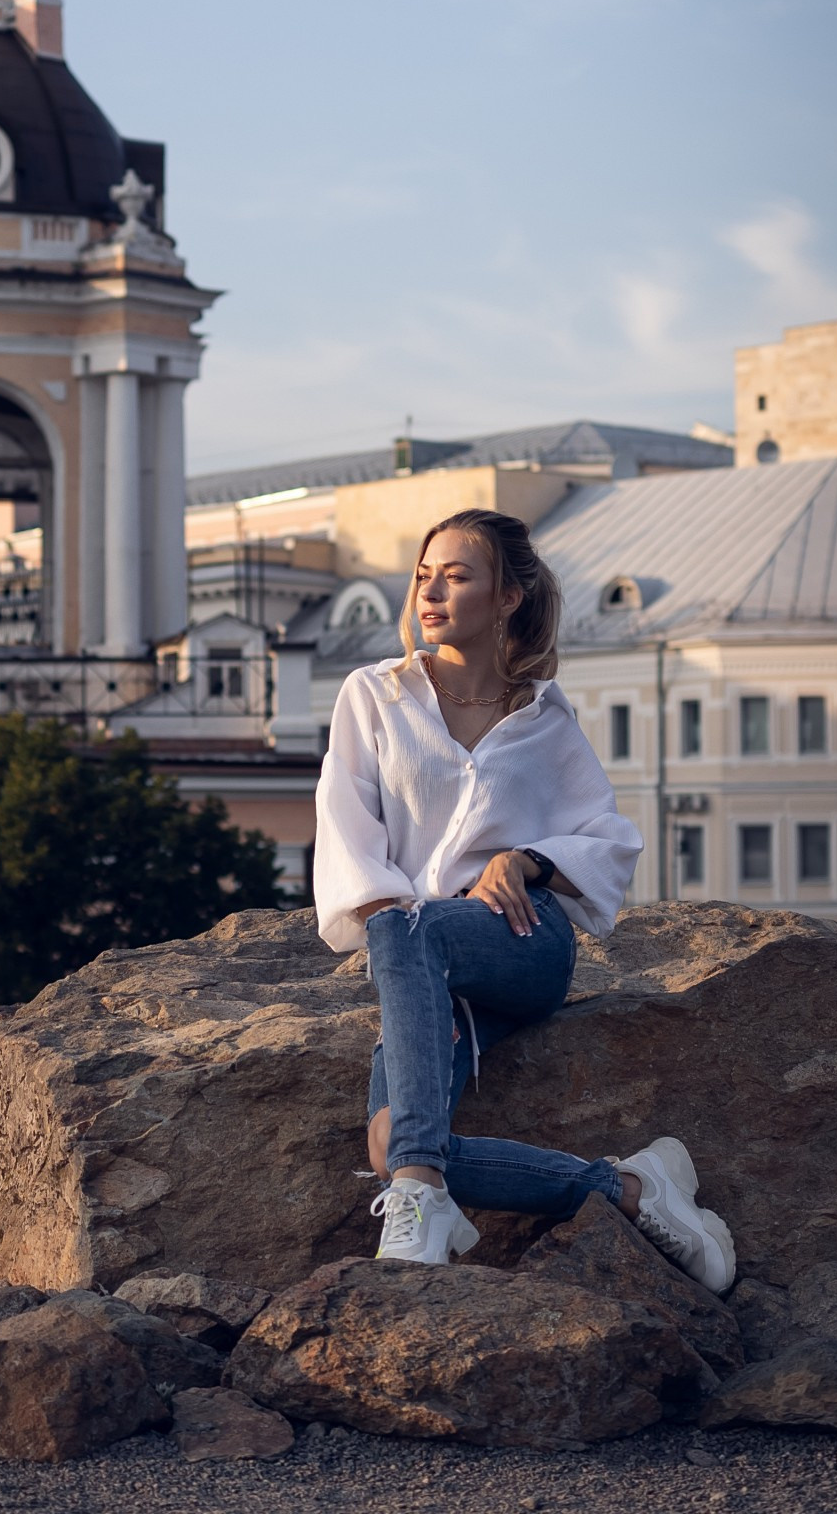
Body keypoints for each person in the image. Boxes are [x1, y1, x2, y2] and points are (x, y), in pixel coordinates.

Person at [313, 508, 735, 1295]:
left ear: (507, 597)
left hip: (520, 941)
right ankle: (629, 1189)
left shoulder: (542, 716)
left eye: (457, 575)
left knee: (411, 949)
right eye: (422, 574)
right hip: (416, 950)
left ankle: (421, 1197)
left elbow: (609, 840)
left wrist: (528, 859)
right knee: (392, 1145)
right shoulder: (375, 694)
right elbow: (347, 839)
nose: (431, 590)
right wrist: (415, 977)